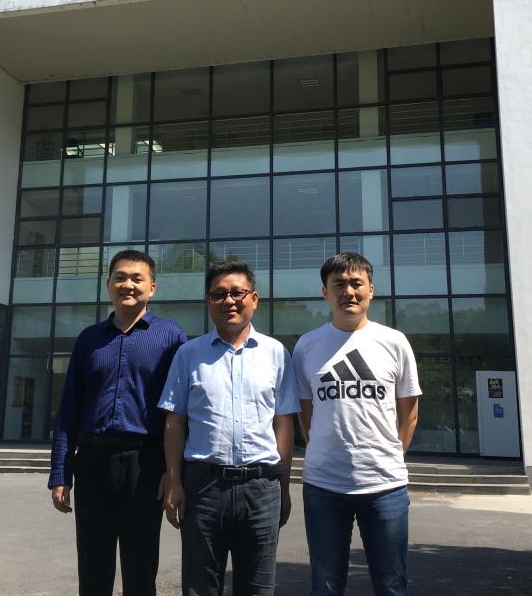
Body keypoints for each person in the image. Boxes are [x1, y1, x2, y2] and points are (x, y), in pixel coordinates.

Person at [48, 249, 187, 596]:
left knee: (141, 565)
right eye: (120, 277)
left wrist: (174, 473)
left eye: (137, 278)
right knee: (92, 564)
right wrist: (60, 473)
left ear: (152, 288)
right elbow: (69, 409)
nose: (128, 284)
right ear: (108, 284)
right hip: (92, 460)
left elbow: (181, 411)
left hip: (145, 463)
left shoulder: (171, 337)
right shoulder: (89, 339)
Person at [159, 261, 299, 596]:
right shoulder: (188, 354)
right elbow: (174, 422)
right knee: (200, 587)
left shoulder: (276, 354)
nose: (229, 301)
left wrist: (283, 486)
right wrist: (174, 482)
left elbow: (283, 422)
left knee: (258, 588)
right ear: (208, 301)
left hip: (261, 488)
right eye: (219, 294)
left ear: (254, 299)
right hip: (203, 488)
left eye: (237, 292)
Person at [292, 252, 421, 596]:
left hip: (385, 486)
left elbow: (409, 413)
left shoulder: (394, 342)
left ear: (371, 290)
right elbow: (305, 414)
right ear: (325, 293)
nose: (348, 291)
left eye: (356, 283)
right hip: (323, 485)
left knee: (391, 584)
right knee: (326, 585)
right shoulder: (307, 346)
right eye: (339, 284)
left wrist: (389, 456)